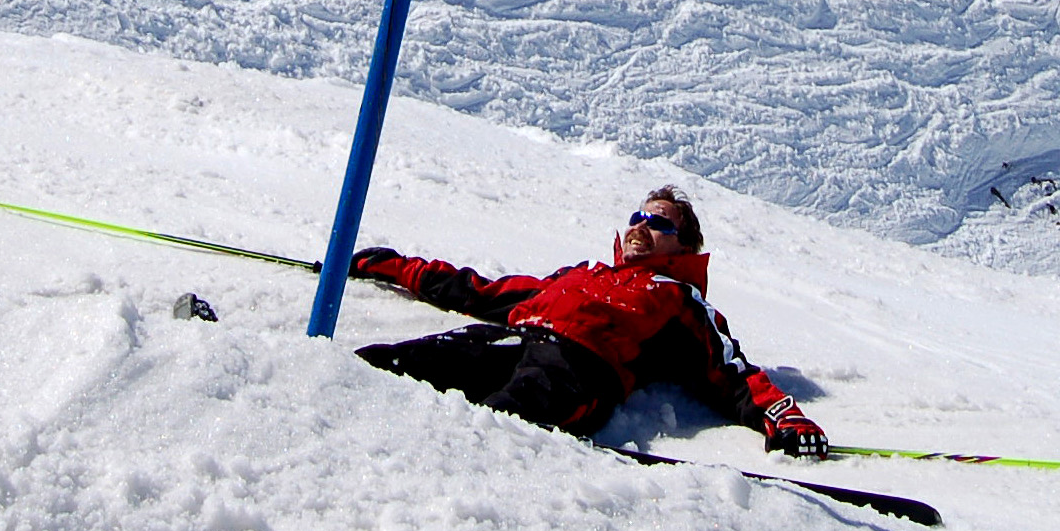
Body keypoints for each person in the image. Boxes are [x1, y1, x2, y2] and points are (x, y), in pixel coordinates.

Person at [348, 185, 828, 458]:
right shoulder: (582, 275)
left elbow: (732, 373)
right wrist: (388, 265)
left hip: (578, 369)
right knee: (388, 366)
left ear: (684, 248)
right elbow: (483, 293)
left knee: (500, 422)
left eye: (659, 223)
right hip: (514, 338)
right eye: (638, 216)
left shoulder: (680, 299)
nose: (641, 225)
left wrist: (787, 421)